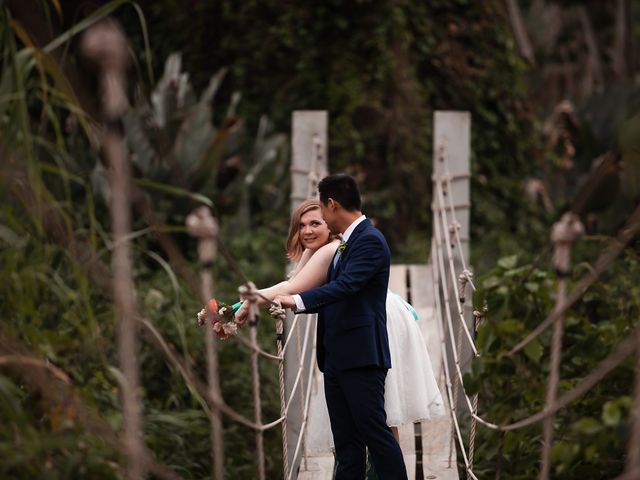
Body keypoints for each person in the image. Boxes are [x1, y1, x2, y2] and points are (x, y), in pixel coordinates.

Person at [237, 175, 441, 479]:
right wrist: (244, 304)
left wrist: (295, 301)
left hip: (361, 357)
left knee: (376, 436)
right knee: (347, 446)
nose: (314, 222)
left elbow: (345, 287)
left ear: (331, 205)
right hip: (336, 358)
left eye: (321, 209)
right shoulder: (345, 241)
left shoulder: (369, 240)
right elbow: (304, 282)